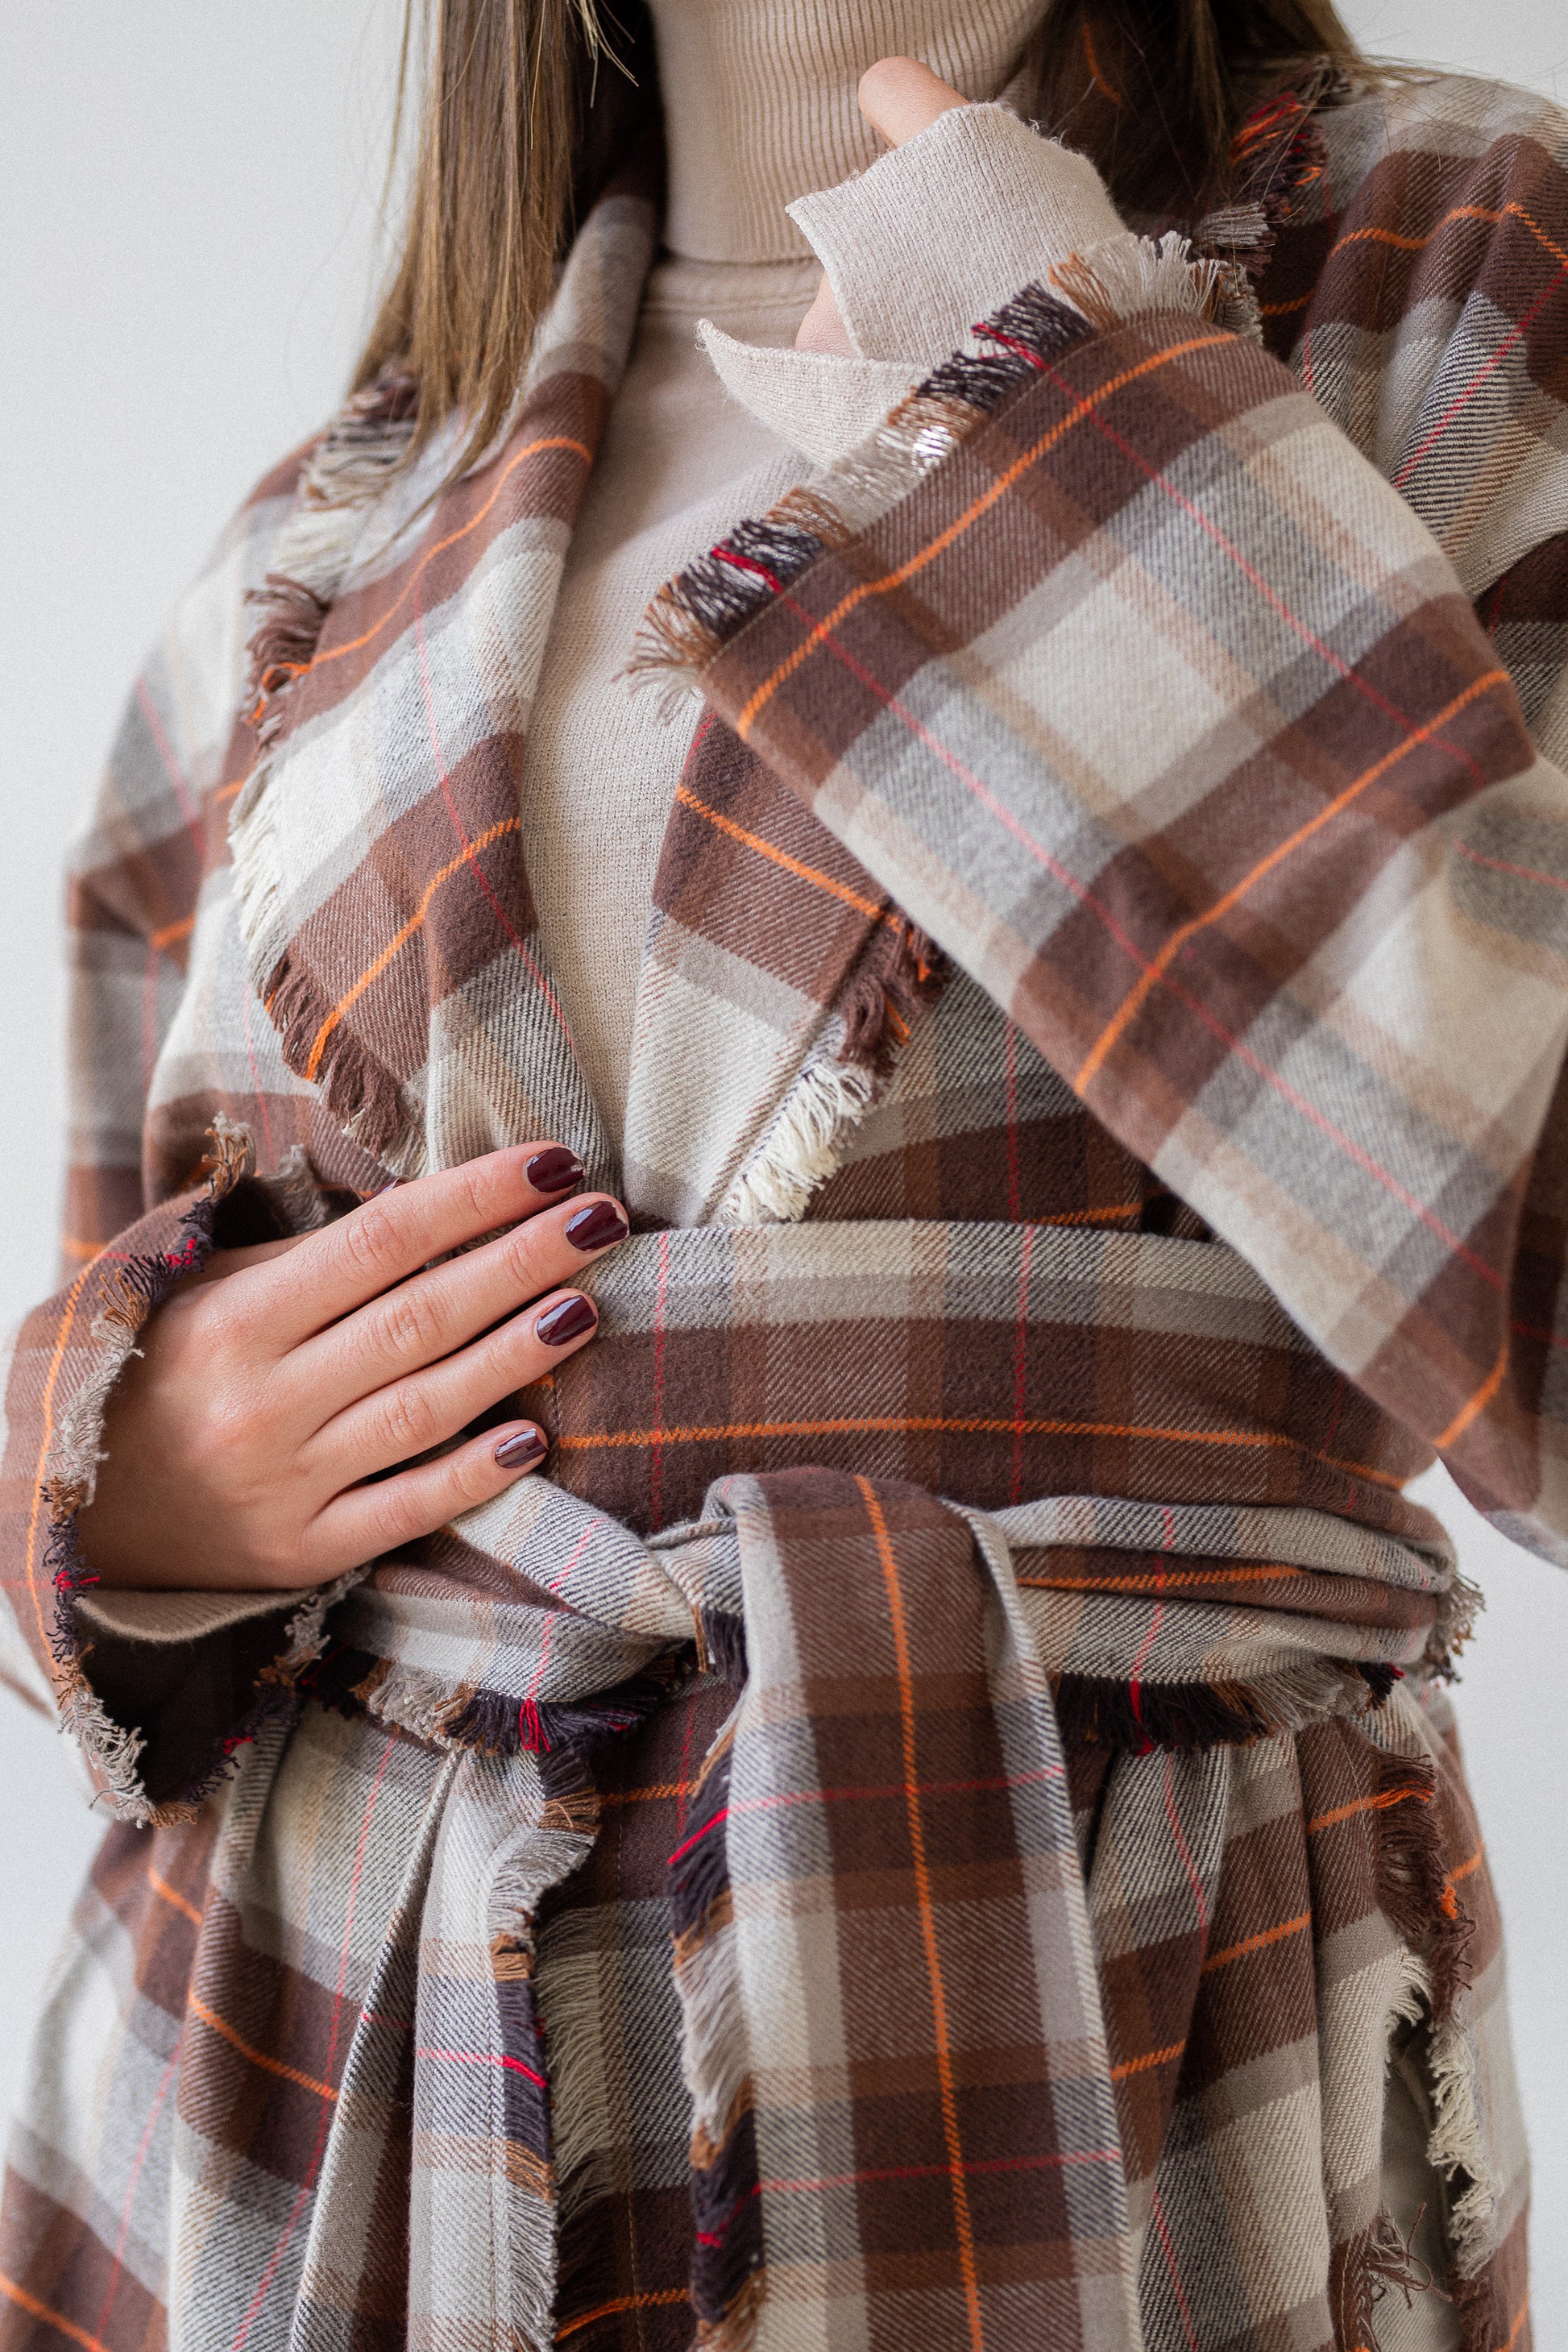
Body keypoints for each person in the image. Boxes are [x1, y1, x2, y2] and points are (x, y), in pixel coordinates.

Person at [1, 0, 1563, 2345]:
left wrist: (1059, 431)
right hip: (307, 2087)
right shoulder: (339, 520)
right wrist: (114, 1479)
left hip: (1141, 2029)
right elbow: (101, 1326)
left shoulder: (1456, 268)